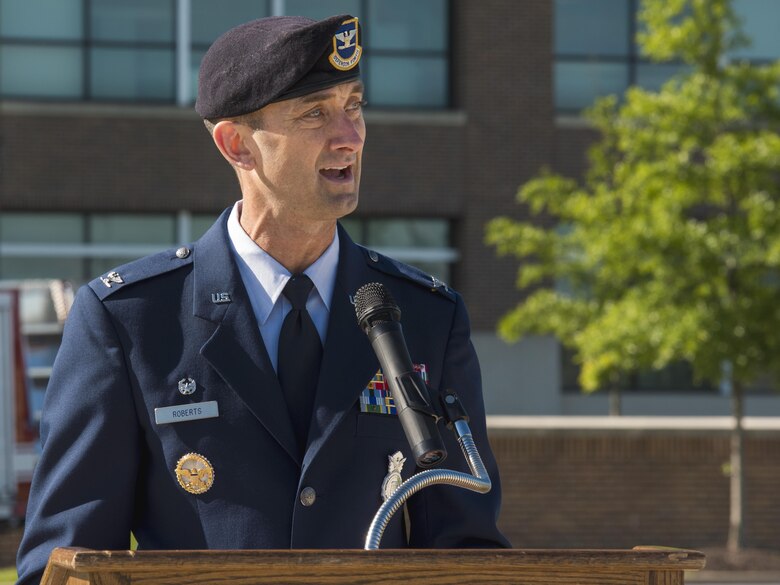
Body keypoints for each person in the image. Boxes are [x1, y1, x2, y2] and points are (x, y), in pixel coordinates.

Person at [15, 13, 510, 585]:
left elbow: (466, 552)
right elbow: (65, 562)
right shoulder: (129, 322)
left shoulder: (424, 317)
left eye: (354, 105)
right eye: (315, 113)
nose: (349, 135)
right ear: (235, 145)